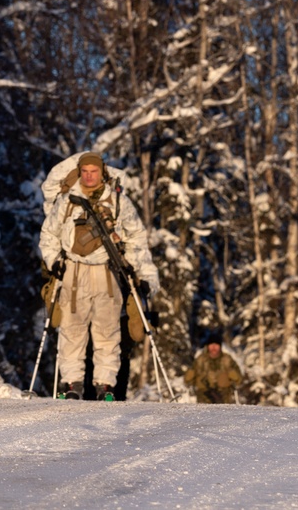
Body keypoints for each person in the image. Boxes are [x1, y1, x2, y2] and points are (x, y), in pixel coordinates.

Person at [38, 152, 159, 401]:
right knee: (72, 329)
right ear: (80, 172)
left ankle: (105, 385)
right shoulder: (67, 201)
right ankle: (72, 384)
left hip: (107, 271)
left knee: (107, 330)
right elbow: (48, 234)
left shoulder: (118, 202)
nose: (89, 176)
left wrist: (144, 275)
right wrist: (54, 262)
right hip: (73, 270)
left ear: (102, 172)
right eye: (85, 171)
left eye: (94, 171)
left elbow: (136, 239)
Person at [184, 332, 243, 404]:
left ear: (220, 346)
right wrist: (193, 371)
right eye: (211, 345)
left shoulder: (227, 359)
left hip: (224, 398)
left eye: (216, 345)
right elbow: (187, 380)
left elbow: (239, 380)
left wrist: (230, 371)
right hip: (203, 398)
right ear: (208, 346)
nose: (214, 348)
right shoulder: (200, 360)